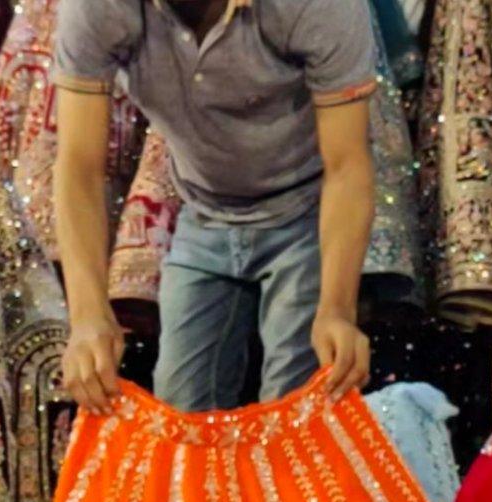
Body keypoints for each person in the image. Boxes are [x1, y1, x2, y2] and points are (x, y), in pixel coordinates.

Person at [54, 0, 378, 412]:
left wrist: (336, 309)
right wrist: (87, 316)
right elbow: (79, 166)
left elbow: (347, 166)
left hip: (307, 211)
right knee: (182, 417)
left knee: (297, 414)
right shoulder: (96, 7)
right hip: (203, 211)